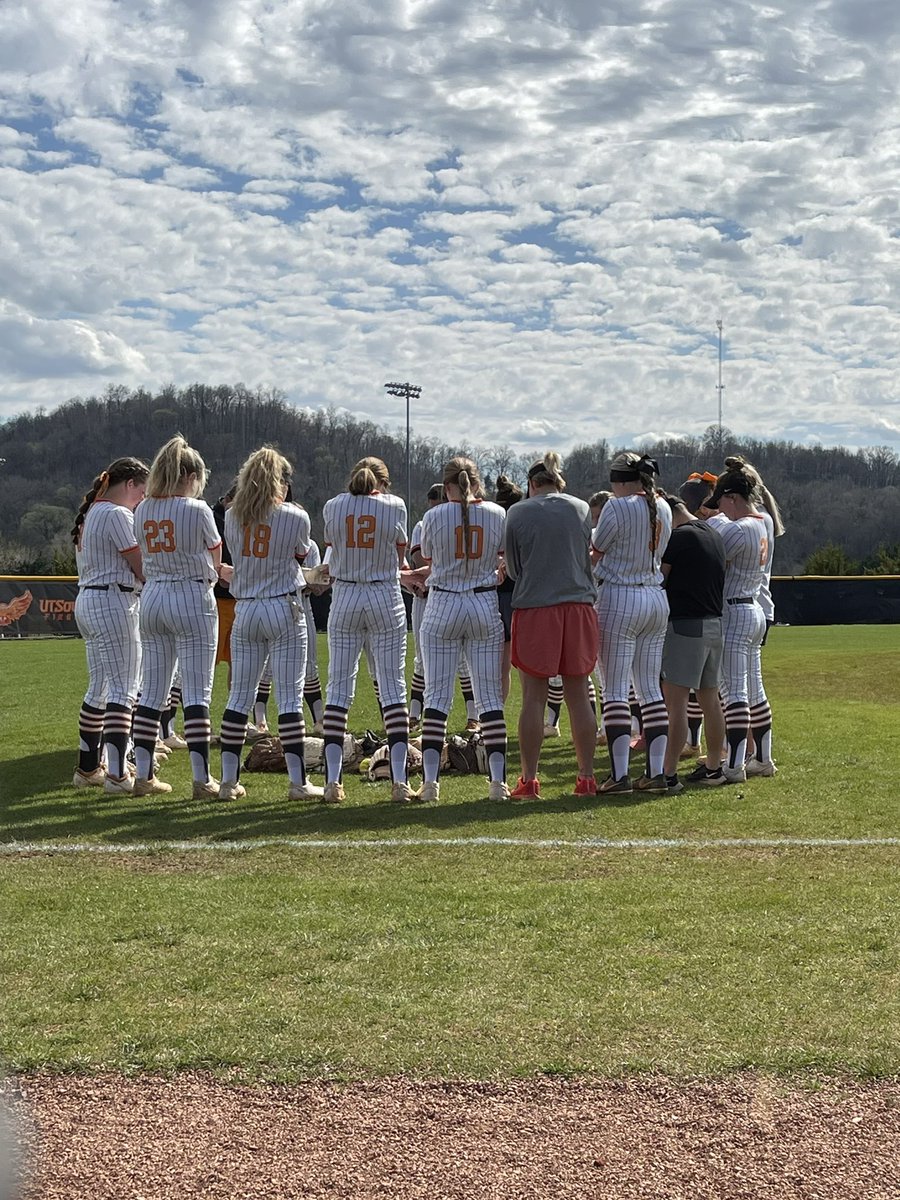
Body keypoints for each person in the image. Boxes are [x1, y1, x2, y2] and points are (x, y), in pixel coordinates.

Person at [217, 447, 322, 801]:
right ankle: (298, 782)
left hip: (246, 608)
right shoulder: (295, 516)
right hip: (283, 607)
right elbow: (300, 557)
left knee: (239, 698)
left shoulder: (232, 515)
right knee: (290, 699)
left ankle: (228, 782)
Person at [132, 435, 222, 798]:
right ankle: (202, 780)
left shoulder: (143, 508)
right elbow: (215, 556)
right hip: (191, 594)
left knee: (152, 691)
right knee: (197, 691)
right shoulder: (196, 509)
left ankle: (143, 774)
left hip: (153, 595)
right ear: (189, 475)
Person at [503, 451, 597, 797]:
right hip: (578, 606)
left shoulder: (518, 511)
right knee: (579, 695)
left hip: (536, 606)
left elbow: (514, 569)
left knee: (533, 697)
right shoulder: (581, 507)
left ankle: (529, 779)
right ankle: (586, 777)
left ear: (531, 484)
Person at [415, 456, 508, 802]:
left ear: (447, 485)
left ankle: (430, 784)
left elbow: (426, 556)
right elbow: (504, 557)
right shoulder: (497, 513)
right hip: (483, 602)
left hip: (443, 602)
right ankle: (498, 783)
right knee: (489, 697)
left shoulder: (434, 515)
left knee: (436, 696)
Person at [320, 457, 413, 805]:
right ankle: (400, 782)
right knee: (392, 688)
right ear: (383, 483)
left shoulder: (333, 505)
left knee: (338, 687)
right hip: (383, 594)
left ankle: (332, 782)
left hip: (345, 594)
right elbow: (399, 553)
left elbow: (333, 544)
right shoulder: (395, 505)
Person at [592, 452, 672, 794]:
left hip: (620, 595)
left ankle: (620, 775)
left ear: (620, 481)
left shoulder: (616, 506)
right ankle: (654, 774)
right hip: (655, 596)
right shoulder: (665, 507)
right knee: (650, 691)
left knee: (614, 691)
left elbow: (595, 551)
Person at [71, 457, 149, 793]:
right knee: (124, 689)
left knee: (100, 688)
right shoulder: (118, 514)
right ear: (130, 484)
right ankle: (119, 774)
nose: (142, 500)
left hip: (89, 598)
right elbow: (141, 567)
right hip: (114, 598)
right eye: (141, 492)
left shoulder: (92, 513)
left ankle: (88, 768)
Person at [707, 461, 777, 780]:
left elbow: (713, 557)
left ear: (733, 497)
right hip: (753, 609)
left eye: (721, 500)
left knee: (735, 691)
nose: (718, 508)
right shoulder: (761, 522)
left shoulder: (739, 528)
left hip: (734, 610)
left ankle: (734, 765)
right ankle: (762, 758)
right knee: (754, 689)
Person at [659, 493, 727, 791]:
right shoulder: (711, 532)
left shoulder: (679, 538)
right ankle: (713, 767)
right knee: (710, 701)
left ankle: (669, 773)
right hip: (714, 624)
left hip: (686, 624)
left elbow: (659, 578)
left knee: (676, 704)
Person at [494, 474, 524, 703]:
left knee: (501, 667)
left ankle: (497, 716)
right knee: (526, 665)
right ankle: (532, 713)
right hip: (520, 596)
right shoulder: (522, 521)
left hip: (495, 595)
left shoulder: (493, 520)